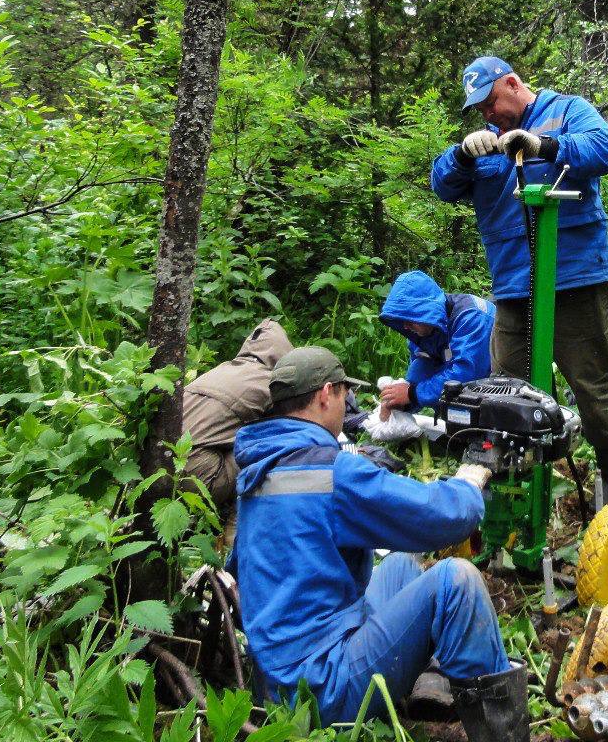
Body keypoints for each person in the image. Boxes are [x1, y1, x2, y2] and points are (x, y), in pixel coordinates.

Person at [231, 346, 527, 740]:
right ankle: (504, 732)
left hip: (275, 679)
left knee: (403, 565)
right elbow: (438, 515)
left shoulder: (259, 471)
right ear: (325, 394)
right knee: (455, 583)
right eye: (343, 394)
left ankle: (420, 682)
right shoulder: (332, 472)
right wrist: (470, 481)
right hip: (320, 690)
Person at [431, 57, 608, 502]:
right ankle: (509, 486)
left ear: (512, 83)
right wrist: (461, 154)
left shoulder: (568, 110)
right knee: (504, 388)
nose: (487, 114)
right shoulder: (483, 145)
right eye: (479, 109)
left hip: (575, 276)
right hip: (513, 285)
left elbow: (605, 150)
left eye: (490, 102)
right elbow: (441, 185)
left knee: (589, 382)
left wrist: (544, 145)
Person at [183, 319, 293, 536]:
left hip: (159, 464)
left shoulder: (223, 370)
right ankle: (235, 530)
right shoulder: (270, 382)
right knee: (273, 447)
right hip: (200, 478)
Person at [377, 270, 495, 414]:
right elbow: (420, 371)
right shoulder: (422, 331)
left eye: (409, 320)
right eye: (402, 321)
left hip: (495, 389)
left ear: (425, 312)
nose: (405, 327)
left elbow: (466, 374)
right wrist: (401, 402)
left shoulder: (472, 318)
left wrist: (412, 394)